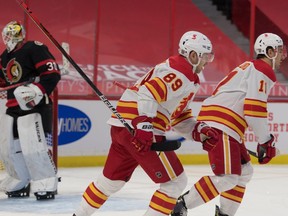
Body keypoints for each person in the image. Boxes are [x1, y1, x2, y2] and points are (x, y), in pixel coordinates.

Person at [73, 31, 219, 216]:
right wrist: (144, 124)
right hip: (140, 129)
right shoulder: (181, 72)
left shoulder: (184, 74)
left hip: (123, 128)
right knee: (175, 182)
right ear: (193, 55)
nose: (207, 61)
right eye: (205, 56)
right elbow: (149, 92)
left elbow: (178, 116)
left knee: (111, 182)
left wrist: (198, 131)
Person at [171, 32, 287, 216]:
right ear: (270, 51)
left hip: (224, 123)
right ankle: (180, 206)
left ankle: (224, 214)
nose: (283, 55)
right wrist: (266, 141)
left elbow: (251, 109)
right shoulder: (262, 69)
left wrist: (265, 141)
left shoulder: (252, 67)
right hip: (222, 123)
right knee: (228, 178)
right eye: (280, 51)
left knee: (245, 172)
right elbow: (254, 110)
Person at [0, 20, 61, 200]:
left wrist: (38, 90)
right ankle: (19, 178)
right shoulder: (4, 56)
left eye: (10, 34)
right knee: (8, 147)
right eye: (6, 35)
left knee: (32, 146)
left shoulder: (34, 48)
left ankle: (45, 180)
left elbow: (52, 73)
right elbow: (5, 81)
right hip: (12, 107)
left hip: (34, 105)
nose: (7, 38)